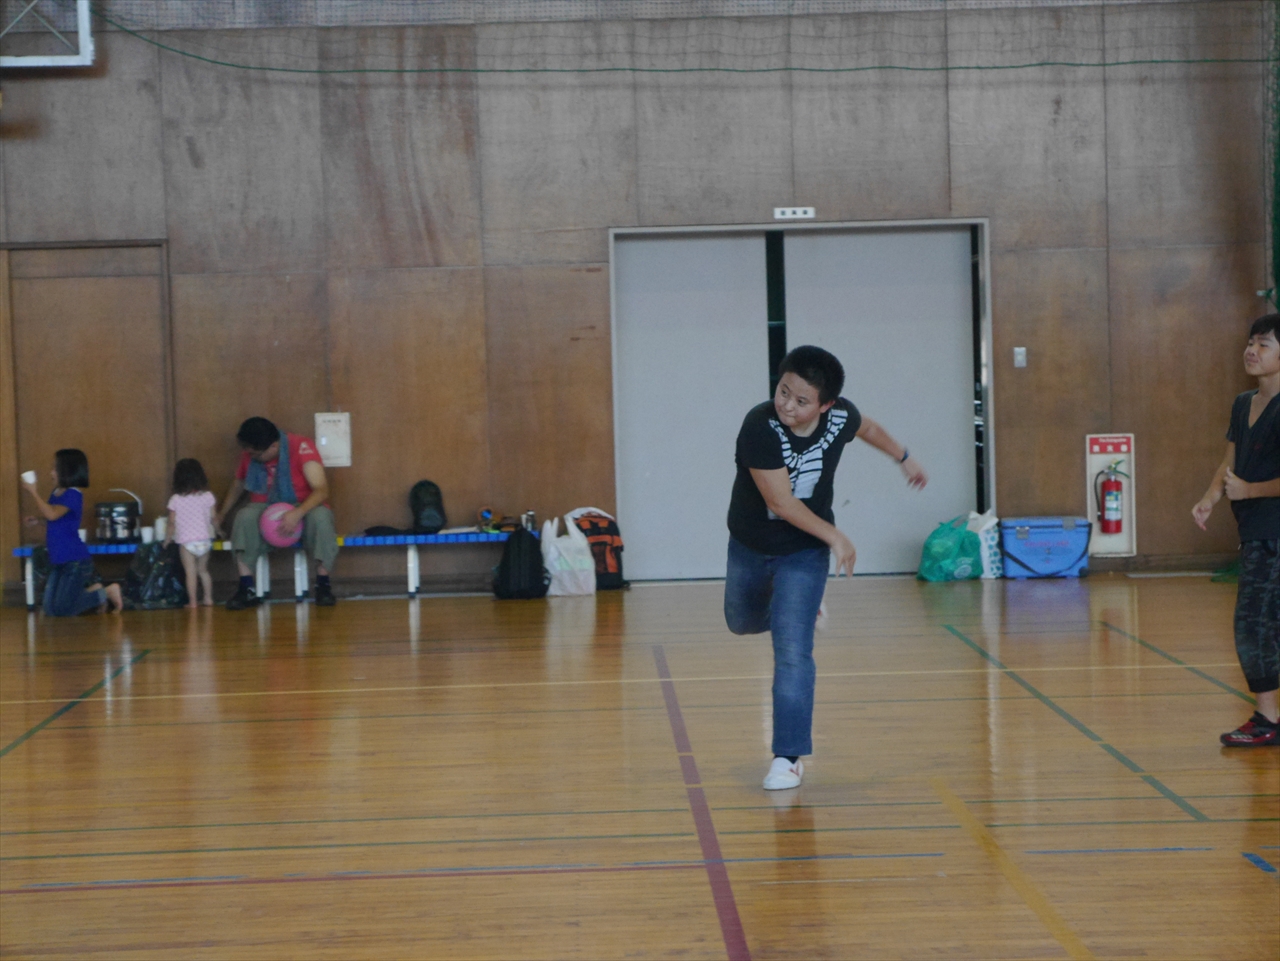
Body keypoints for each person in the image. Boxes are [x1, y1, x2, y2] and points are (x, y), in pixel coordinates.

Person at [725, 346, 927, 789]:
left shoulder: (840, 418)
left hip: (804, 551)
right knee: (740, 621)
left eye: (801, 401)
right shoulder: (759, 426)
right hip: (750, 546)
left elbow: (868, 427)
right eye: (784, 392)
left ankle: (787, 758)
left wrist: (903, 456)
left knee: (792, 650)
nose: (787, 405)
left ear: (825, 405)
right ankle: (801, 607)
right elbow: (780, 502)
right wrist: (837, 536)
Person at [1193, 314, 1280, 747]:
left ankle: (1267, 719)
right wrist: (1211, 497)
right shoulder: (1243, 403)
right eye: (1250, 342)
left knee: (1253, 625)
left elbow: (1247, 483)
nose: (1252, 351)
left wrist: (1250, 490)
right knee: (1262, 625)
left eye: (1264, 344)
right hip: (1254, 531)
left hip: (1275, 532)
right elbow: (1230, 462)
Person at [217, 417, 339, 609]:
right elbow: (239, 483)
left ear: (273, 446)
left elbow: (321, 490)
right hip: (265, 505)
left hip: (302, 504)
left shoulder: (301, 446)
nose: (252, 457)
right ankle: (246, 588)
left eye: (256, 454)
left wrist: (297, 513)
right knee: (244, 517)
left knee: (321, 517)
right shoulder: (251, 454)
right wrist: (222, 514)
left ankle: (323, 586)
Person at [20, 448, 123, 615]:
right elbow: (56, 521)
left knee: (63, 609)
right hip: (58, 559)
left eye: (55, 469)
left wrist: (33, 492)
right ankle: (95, 591)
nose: (51, 473)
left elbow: (52, 514)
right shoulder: (56, 493)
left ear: (67, 471)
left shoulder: (74, 494)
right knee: (50, 609)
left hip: (74, 561)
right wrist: (39, 521)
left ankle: (106, 592)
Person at [166, 458, 217, 609]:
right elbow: (214, 518)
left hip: (187, 542)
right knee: (203, 571)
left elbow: (171, 523)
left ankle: (193, 602)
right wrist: (220, 531)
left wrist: (167, 539)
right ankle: (208, 599)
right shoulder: (208, 497)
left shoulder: (175, 499)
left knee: (191, 572)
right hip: (205, 540)